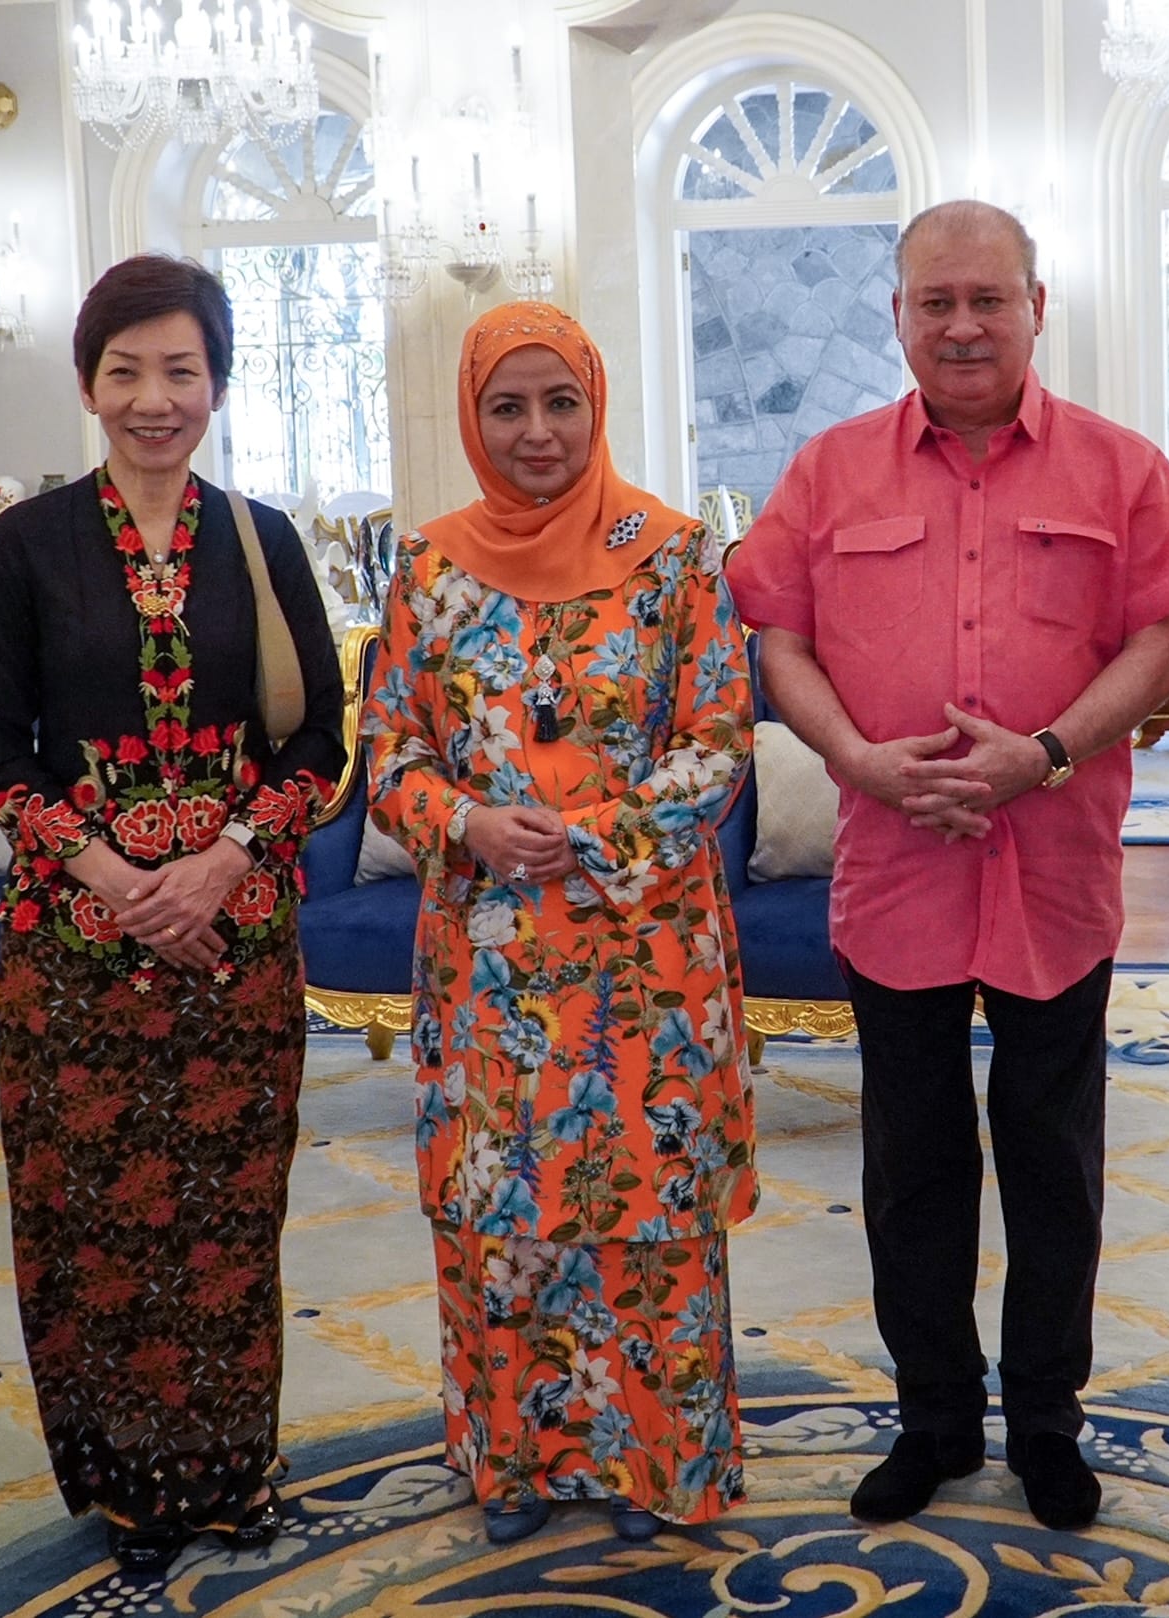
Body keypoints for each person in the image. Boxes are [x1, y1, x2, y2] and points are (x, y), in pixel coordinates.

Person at [725, 200, 1169, 1533]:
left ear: (1036, 307)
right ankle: (933, 1415)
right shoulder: (828, 473)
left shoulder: (1122, 470)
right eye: (935, 302)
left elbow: (1163, 641)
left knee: (1055, 1160)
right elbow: (781, 644)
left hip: (1054, 868)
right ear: (898, 316)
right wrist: (857, 764)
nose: (962, 325)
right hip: (896, 870)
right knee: (913, 1162)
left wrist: (1043, 752)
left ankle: (1049, 1421)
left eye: (988, 299)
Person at [0, 254, 346, 1575]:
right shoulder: (25, 545)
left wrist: (227, 860)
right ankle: (130, 1480)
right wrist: (117, 878)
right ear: (87, 382)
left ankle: (232, 1467)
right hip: (76, 947)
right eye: (125, 370)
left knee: (229, 1219)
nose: (153, 397)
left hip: (237, 940)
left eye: (180, 369)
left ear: (219, 382)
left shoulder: (265, 538)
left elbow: (324, 748)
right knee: (104, 1217)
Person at [362, 302, 756, 1546]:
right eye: (506, 407)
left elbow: (716, 741)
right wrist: (466, 823)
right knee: (501, 1210)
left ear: (597, 403)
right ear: (472, 418)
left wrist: (591, 837)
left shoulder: (676, 556)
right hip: (488, 958)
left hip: (643, 961)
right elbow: (388, 751)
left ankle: (655, 1465)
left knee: (646, 1211)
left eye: (560, 402)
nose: (538, 433)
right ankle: (518, 1468)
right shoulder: (427, 568)